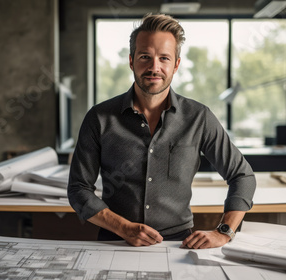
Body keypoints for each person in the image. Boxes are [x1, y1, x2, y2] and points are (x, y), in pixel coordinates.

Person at [68, 13, 256, 249]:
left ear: (176, 64)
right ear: (131, 61)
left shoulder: (199, 118)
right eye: (145, 56)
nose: (154, 67)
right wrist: (123, 227)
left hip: (180, 245)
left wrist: (224, 232)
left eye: (164, 58)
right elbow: (78, 189)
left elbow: (242, 176)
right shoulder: (99, 118)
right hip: (115, 241)